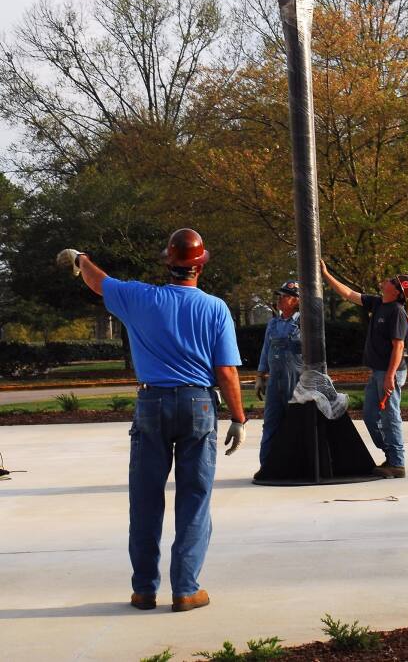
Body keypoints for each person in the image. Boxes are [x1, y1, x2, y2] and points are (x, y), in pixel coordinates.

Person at [57, 228, 246, 613]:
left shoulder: (140, 298)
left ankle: (144, 590)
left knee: (145, 501)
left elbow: (99, 281)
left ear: (169, 263)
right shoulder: (215, 308)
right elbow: (226, 371)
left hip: (151, 402)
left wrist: (80, 258)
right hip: (199, 405)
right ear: (200, 267)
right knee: (194, 501)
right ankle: (185, 589)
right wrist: (239, 417)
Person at [320, 260, 408, 478]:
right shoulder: (378, 303)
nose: (387, 280)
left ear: (398, 291)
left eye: (393, 281)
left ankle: (397, 463)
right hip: (377, 372)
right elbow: (349, 294)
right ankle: (390, 455)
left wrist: (390, 376)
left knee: (390, 416)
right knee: (370, 416)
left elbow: (399, 346)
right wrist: (325, 274)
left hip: (390, 372)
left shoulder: (397, 312)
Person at [255, 280, 302, 469]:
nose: (280, 299)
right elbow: (266, 350)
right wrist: (260, 376)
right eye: (280, 296)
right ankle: (267, 467)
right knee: (271, 423)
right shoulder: (273, 323)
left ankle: (296, 466)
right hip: (275, 381)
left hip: (297, 381)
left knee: (296, 424)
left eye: (286, 296)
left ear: (297, 301)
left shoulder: (304, 323)